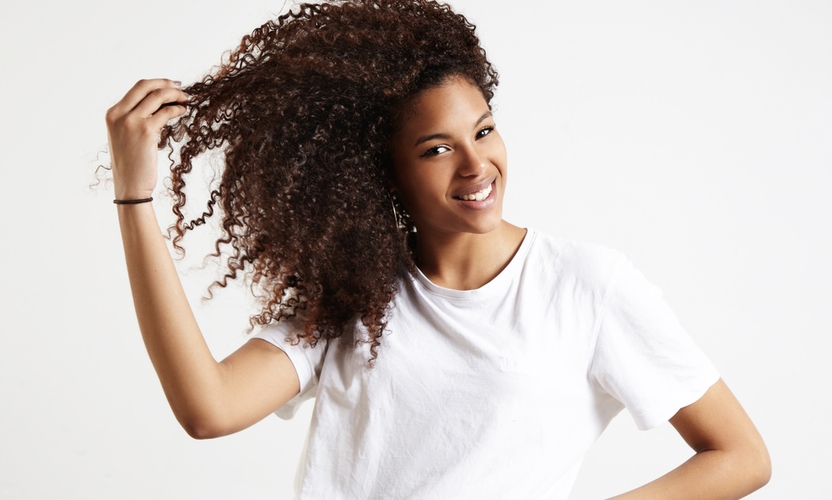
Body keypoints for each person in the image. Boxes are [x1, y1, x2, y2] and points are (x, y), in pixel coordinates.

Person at [105, 0, 771, 497]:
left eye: (483, 131)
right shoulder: (355, 298)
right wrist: (136, 201)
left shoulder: (585, 286)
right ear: (382, 173)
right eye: (436, 149)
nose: (476, 165)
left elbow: (740, 456)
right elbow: (208, 408)